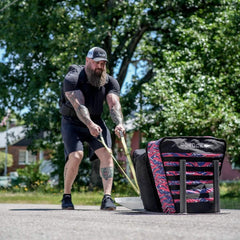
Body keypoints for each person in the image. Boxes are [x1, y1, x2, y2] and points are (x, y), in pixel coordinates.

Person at [59, 47, 125, 210]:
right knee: (76, 156)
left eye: (103, 63)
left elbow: (114, 104)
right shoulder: (73, 78)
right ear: (88, 61)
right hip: (73, 122)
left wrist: (119, 123)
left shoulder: (109, 81)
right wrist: (89, 125)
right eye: (97, 63)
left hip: (96, 120)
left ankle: (107, 198)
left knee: (107, 154)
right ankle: (67, 196)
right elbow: (79, 105)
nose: (100, 67)